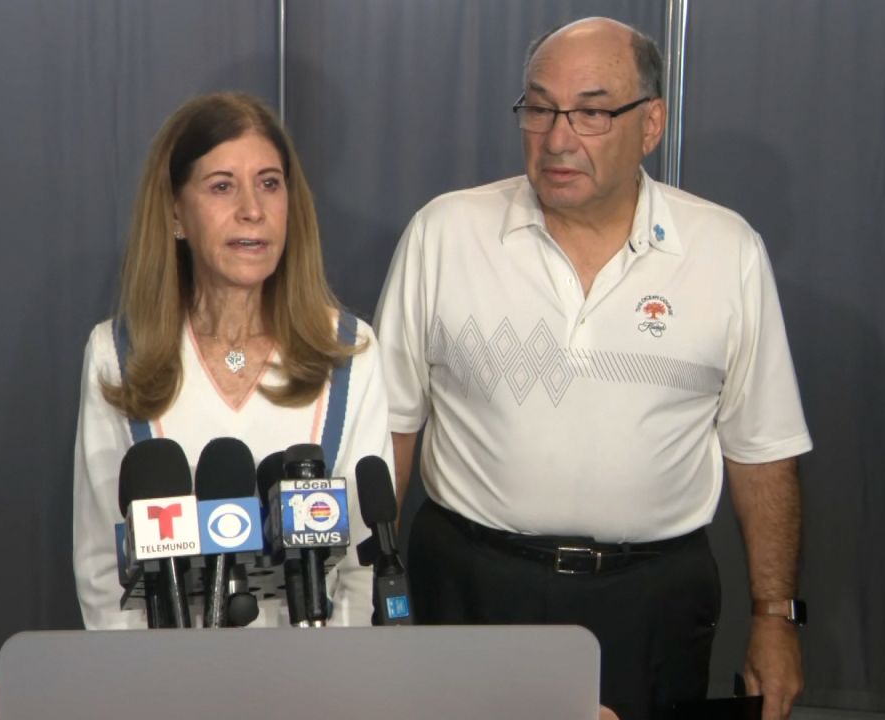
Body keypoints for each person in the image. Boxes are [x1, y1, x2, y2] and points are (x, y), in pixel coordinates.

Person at [374, 18, 811, 720]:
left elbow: (763, 454)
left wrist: (775, 618)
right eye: (540, 107)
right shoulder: (445, 233)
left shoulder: (725, 251)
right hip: (471, 585)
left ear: (651, 124)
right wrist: (363, 593)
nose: (557, 137)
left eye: (593, 111)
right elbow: (388, 430)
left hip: (651, 600)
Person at [73, 92, 391, 630]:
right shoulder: (117, 355)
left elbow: (364, 565)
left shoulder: (349, 350)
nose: (253, 208)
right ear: (176, 213)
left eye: (269, 183)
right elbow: (103, 569)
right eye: (222, 186)